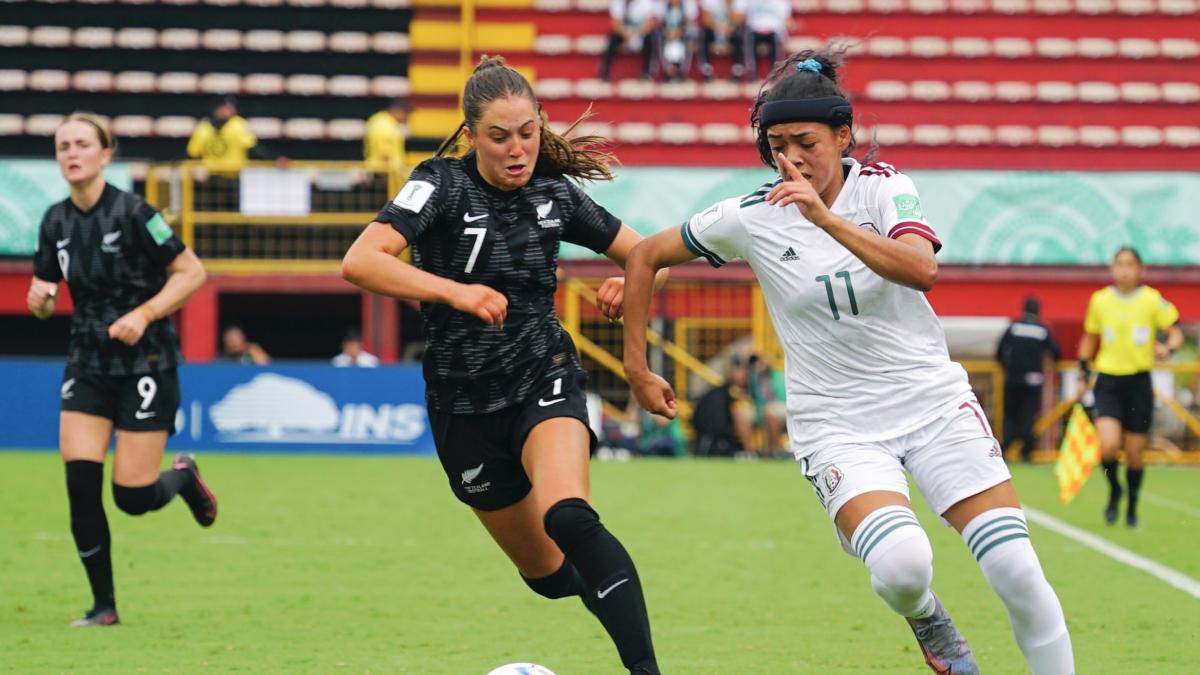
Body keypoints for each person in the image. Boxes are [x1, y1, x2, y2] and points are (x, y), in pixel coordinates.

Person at [621, 50, 1074, 674]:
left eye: (806, 142)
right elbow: (645, 256)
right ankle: (927, 618)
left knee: (1015, 568)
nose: (792, 159)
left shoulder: (886, 186)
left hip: (933, 404)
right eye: (777, 145)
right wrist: (638, 368)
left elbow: (922, 269)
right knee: (903, 568)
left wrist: (826, 219)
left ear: (844, 136)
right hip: (838, 425)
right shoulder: (749, 217)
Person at [341, 56, 667, 675]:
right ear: (470, 136)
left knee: (569, 515)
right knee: (546, 575)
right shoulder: (439, 183)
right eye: (499, 136)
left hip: (541, 375)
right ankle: (601, 588)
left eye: (528, 133)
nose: (518, 150)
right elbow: (361, 260)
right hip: (461, 405)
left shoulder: (553, 193)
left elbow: (647, 256)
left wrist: (630, 283)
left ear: (541, 125)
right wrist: (454, 291)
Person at [26, 112, 216, 627]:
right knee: (80, 484)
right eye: (63, 145)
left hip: (145, 363)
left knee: (132, 496)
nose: (72, 153)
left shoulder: (136, 213)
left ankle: (183, 477)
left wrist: (145, 313)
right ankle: (103, 606)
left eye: (83, 143)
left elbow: (191, 271)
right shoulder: (54, 221)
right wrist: (40, 302)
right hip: (86, 363)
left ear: (106, 154)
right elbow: (45, 295)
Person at [1077, 246, 1182, 528]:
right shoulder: (1100, 300)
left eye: (1129, 265)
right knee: (1109, 445)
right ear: (1112, 268)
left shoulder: (1151, 300)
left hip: (1138, 381)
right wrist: (1082, 370)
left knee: (1135, 452)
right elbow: (1090, 338)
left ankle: (1132, 504)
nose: (1124, 270)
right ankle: (1114, 490)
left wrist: (1167, 348)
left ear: (1140, 270)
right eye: (1119, 264)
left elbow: (1175, 331)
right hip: (1108, 381)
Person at [996, 296, 1061, 462]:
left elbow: (999, 351)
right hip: (1034, 379)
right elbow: (1056, 353)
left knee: (1010, 414)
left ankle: (1006, 448)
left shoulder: (1014, 326)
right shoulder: (1042, 329)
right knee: (1028, 414)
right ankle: (1026, 451)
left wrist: (1008, 367)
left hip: (1013, 378)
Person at [186, 96, 259, 172]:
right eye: (227, 108)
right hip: (210, 175)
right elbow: (193, 152)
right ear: (217, 109)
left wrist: (270, 157)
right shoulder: (204, 127)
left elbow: (252, 148)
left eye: (232, 108)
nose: (232, 111)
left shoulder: (238, 124)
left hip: (234, 175)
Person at [600, 0, 663, 81]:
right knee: (613, 37)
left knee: (650, 37)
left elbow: (649, 24)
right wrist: (624, 32)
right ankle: (605, 71)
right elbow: (615, 23)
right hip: (624, 34)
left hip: (640, 33)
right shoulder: (617, 2)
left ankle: (647, 72)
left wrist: (635, 33)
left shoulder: (645, 3)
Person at [364, 98, 410, 173]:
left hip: (380, 170)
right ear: (396, 111)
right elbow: (385, 155)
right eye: (406, 113)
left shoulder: (381, 121)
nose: (407, 117)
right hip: (385, 173)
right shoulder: (385, 125)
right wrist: (386, 175)